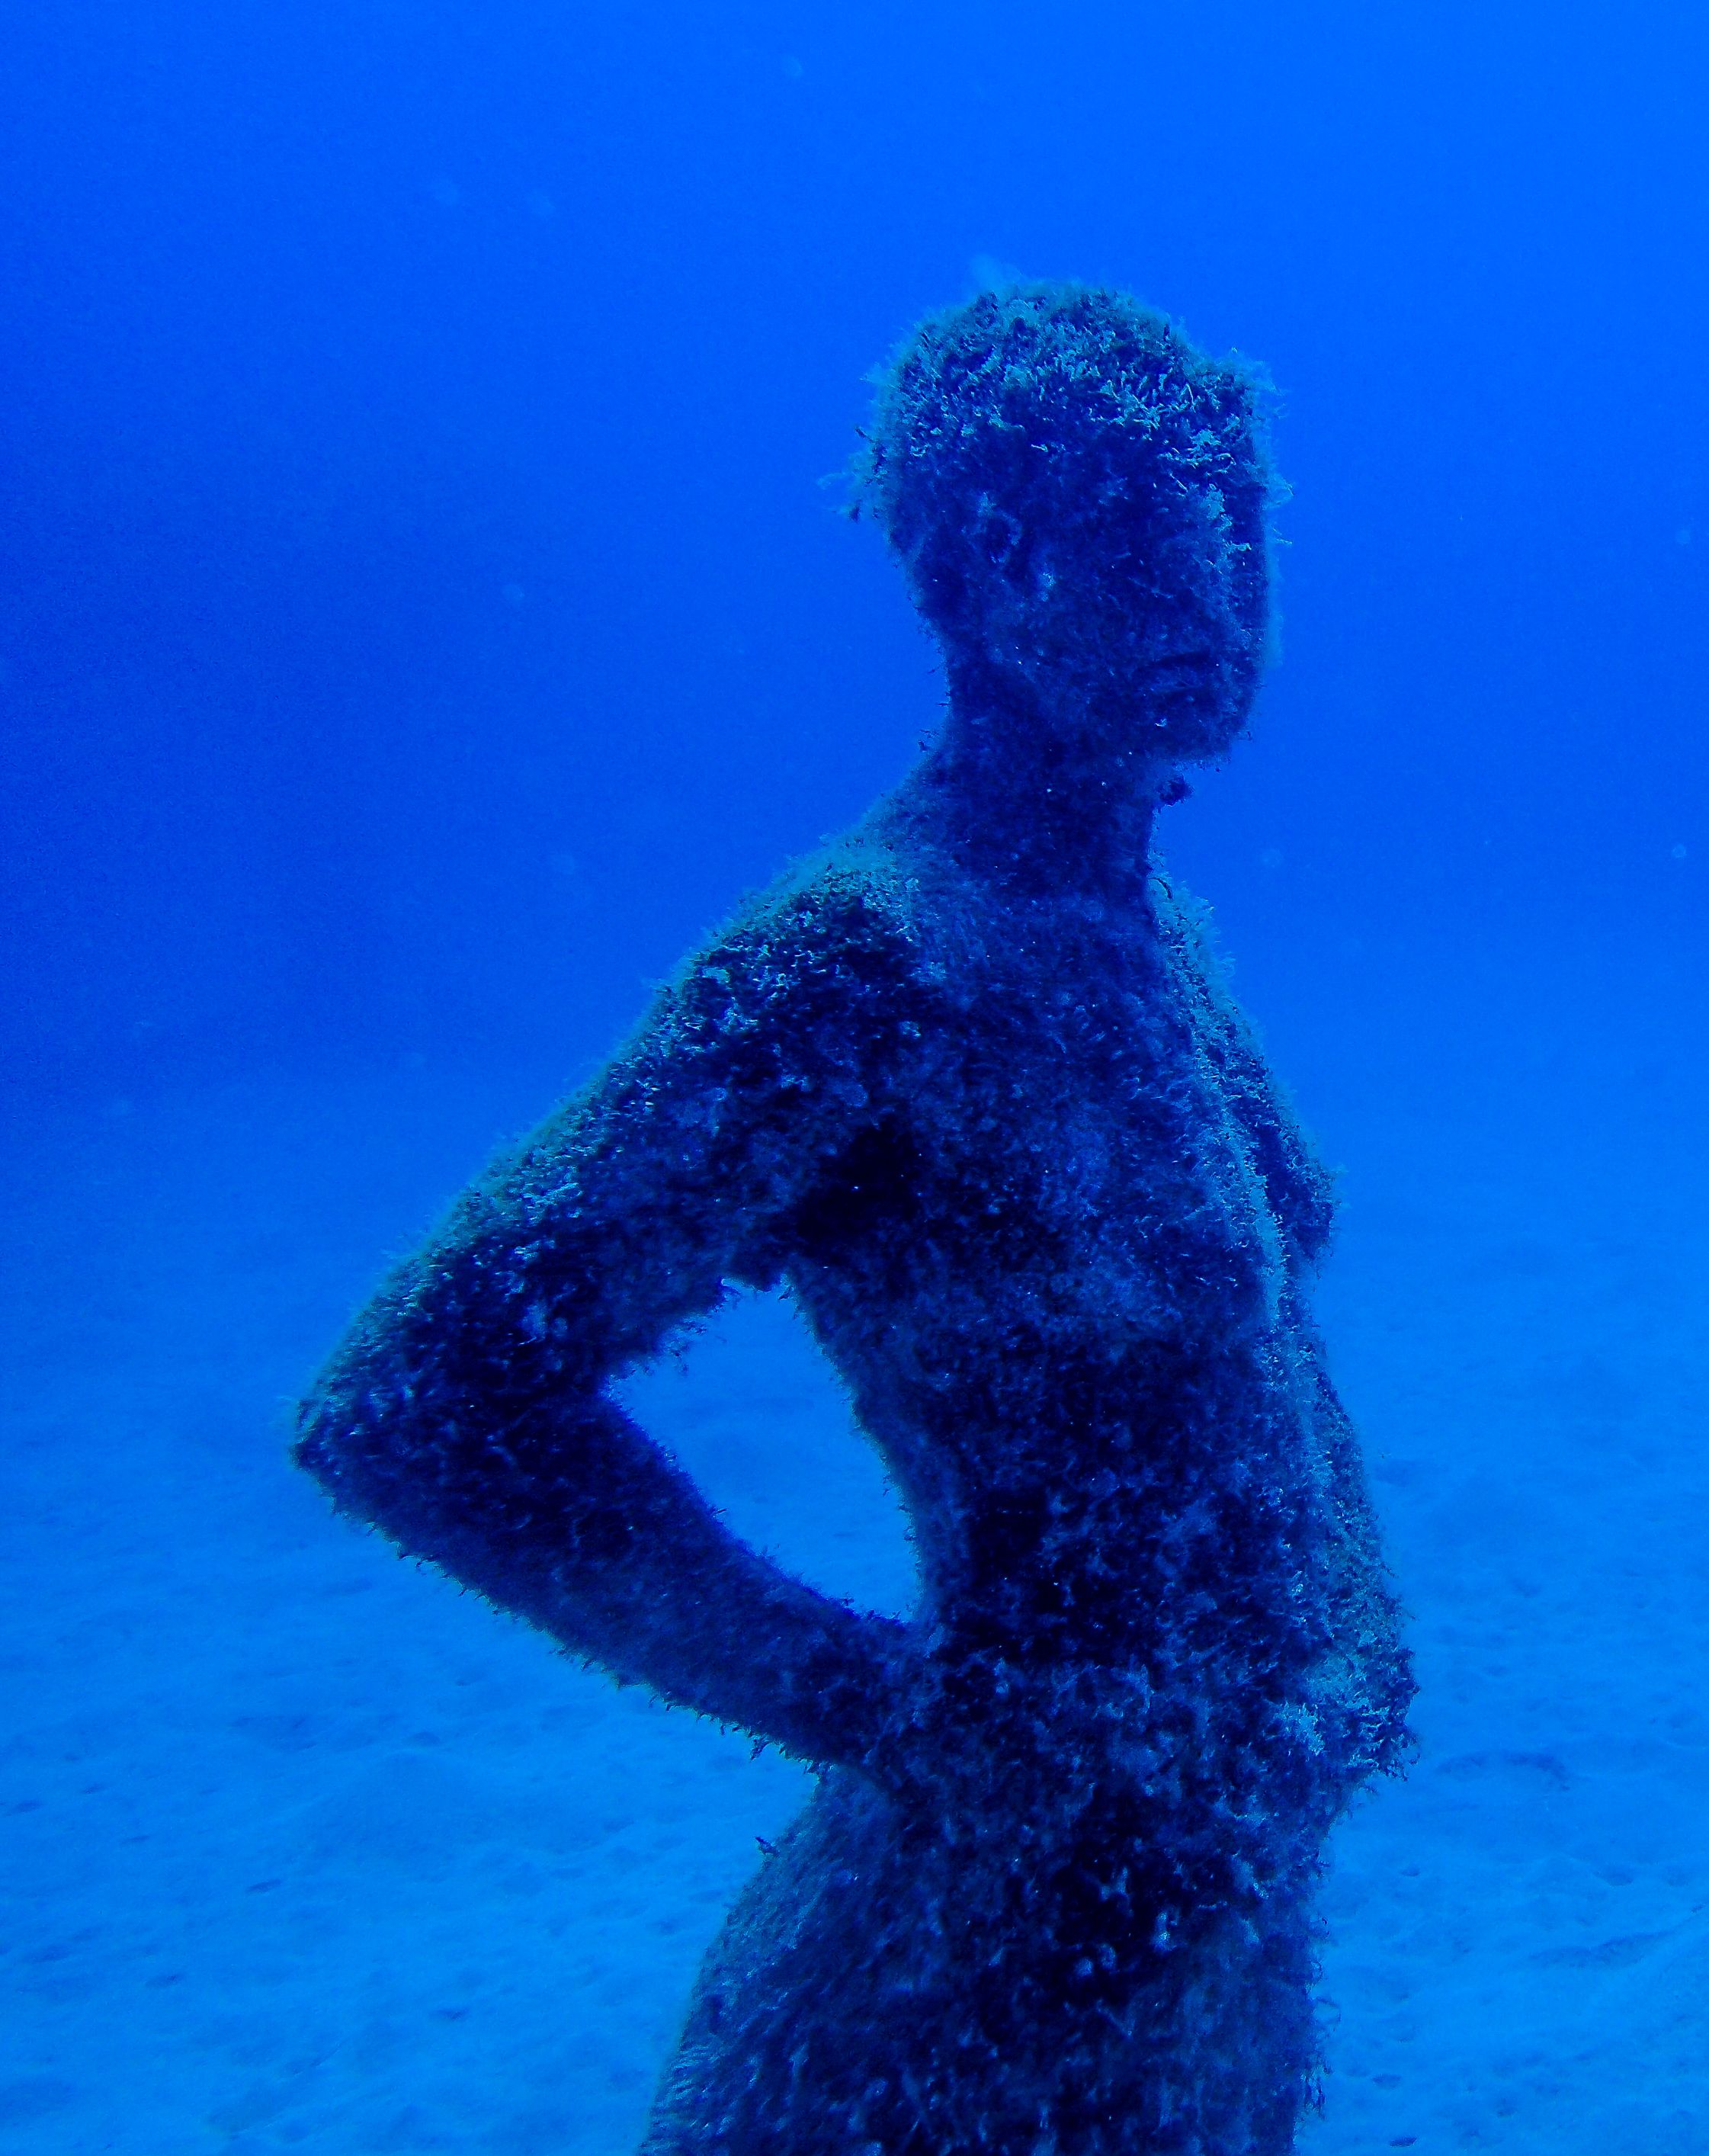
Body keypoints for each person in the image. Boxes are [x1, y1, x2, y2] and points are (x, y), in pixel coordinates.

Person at [295, 284, 1412, 2154]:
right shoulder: (865, 961)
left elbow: (1268, 1355)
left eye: (1237, 519)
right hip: (963, 1987)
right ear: (979, 572)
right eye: (1134, 528)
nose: (1212, 588)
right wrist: (893, 1713)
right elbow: (420, 1404)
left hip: (1217, 1928)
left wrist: (1360, 1651)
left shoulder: (1161, 944)